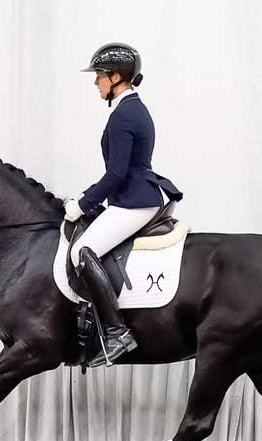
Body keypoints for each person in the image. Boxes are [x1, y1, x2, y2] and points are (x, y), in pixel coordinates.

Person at [64, 42, 182, 367]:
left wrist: (83, 204)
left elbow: (115, 174)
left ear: (116, 77)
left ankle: (117, 333)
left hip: (134, 201)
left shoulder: (124, 115)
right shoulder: (132, 109)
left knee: (80, 253)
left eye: (99, 76)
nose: (95, 82)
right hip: (133, 196)